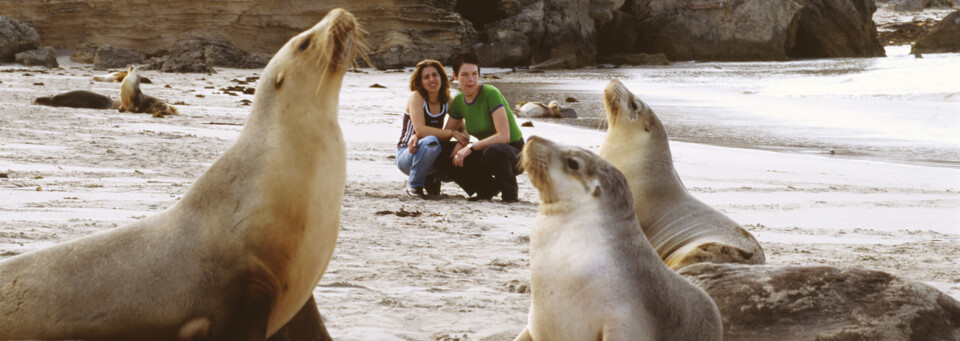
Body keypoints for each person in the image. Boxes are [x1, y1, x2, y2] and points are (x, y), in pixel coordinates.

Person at [438, 51, 525, 203]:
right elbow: (445, 134)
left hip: (515, 153)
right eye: (464, 74)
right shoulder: (458, 102)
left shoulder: (491, 93)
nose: (470, 79)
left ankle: (510, 194)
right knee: (442, 150)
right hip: (487, 152)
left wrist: (471, 147)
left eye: (474, 74)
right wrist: (460, 143)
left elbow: (504, 136)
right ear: (455, 76)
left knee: (495, 150)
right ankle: (486, 188)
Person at [395, 59, 466, 198]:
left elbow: (463, 131)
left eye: (435, 75)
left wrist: (460, 144)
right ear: (420, 82)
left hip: (432, 152)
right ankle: (414, 186)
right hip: (407, 153)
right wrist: (451, 132)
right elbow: (421, 131)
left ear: (441, 77)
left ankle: (432, 177)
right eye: (426, 77)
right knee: (431, 141)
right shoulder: (417, 97)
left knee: (466, 153)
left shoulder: (447, 100)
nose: (432, 79)